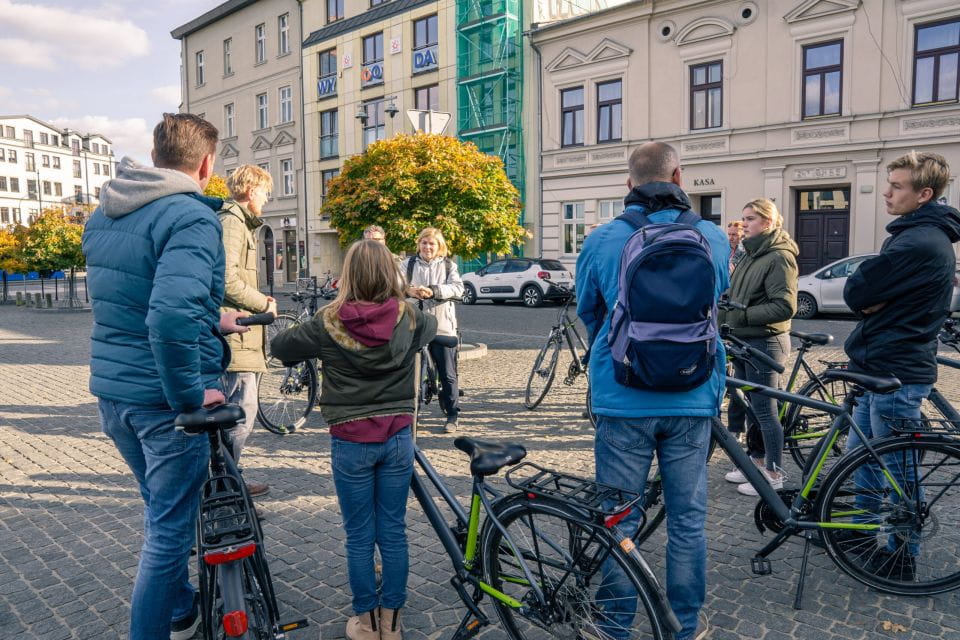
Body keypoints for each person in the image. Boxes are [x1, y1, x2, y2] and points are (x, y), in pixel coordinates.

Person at [82, 113, 231, 640]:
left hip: (114, 394)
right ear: (206, 163)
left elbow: (132, 297)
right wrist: (191, 395)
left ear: (155, 156)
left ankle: (181, 607)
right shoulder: (190, 215)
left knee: (160, 509)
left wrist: (212, 314)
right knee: (167, 533)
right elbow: (167, 317)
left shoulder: (105, 213)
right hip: (163, 399)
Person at [576, 142, 728, 640]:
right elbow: (713, 304)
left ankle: (614, 626)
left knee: (619, 517)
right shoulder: (711, 237)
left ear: (628, 185)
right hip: (694, 393)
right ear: (679, 178)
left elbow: (590, 313)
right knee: (688, 520)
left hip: (623, 396)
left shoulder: (601, 240)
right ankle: (683, 627)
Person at [270, 240, 437, 640]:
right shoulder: (411, 317)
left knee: (360, 534)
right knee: (393, 531)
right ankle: (392, 622)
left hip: (350, 438)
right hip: (397, 436)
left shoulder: (327, 321)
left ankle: (365, 621)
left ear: (350, 276)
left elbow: (280, 346)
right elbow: (431, 329)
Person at [841, 151, 960, 576]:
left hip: (898, 371)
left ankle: (901, 553)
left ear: (924, 194)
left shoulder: (918, 241)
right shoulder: (915, 235)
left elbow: (857, 291)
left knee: (897, 469)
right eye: (888, 183)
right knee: (864, 458)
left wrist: (874, 299)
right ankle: (859, 528)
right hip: (883, 366)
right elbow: (866, 295)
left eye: (897, 186)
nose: (887, 192)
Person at [718, 198, 798, 497]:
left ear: (767, 222)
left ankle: (774, 473)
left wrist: (741, 315)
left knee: (765, 410)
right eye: (744, 218)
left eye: (750, 218)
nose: (744, 224)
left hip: (766, 341)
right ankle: (756, 462)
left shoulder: (779, 256)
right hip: (744, 340)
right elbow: (739, 295)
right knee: (749, 407)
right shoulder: (751, 253)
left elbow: (784, 306)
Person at [219, 165, 278, 497]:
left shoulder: (240, 222)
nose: (266, 200)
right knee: (241, 411)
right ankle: (226, 484)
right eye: (265, 193)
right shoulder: (232, 222)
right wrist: (262, 303)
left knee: (240, 411)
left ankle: (230, 479)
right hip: (234, 335)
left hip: (241, 334)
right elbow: (225, 279)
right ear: (252, 190)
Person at [403, 227, 464, 433]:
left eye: (432, 244)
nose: (427, 247)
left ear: (439, 247)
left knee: (447, 373)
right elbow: (393, 285)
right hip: (414, 325)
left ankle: (452, 414)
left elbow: (458, 289)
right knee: (408, 374)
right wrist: (409, 290)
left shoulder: (448, 265)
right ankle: (410, 414)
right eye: (424, 243)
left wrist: (435, 290)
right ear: (418, 244)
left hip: (442, 325)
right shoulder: (408, 264)